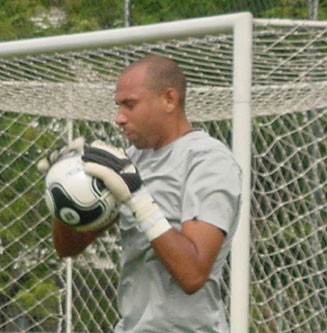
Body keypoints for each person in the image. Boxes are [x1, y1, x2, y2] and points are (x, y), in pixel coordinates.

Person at [48, 54, 242, 332]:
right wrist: (65, 190)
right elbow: (68, 247)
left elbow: (193, 274)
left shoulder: (209, 161)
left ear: (169, 100)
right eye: (118, 106)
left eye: (130, 105)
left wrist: (137, 197)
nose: (119, 118)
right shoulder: (130, 161)